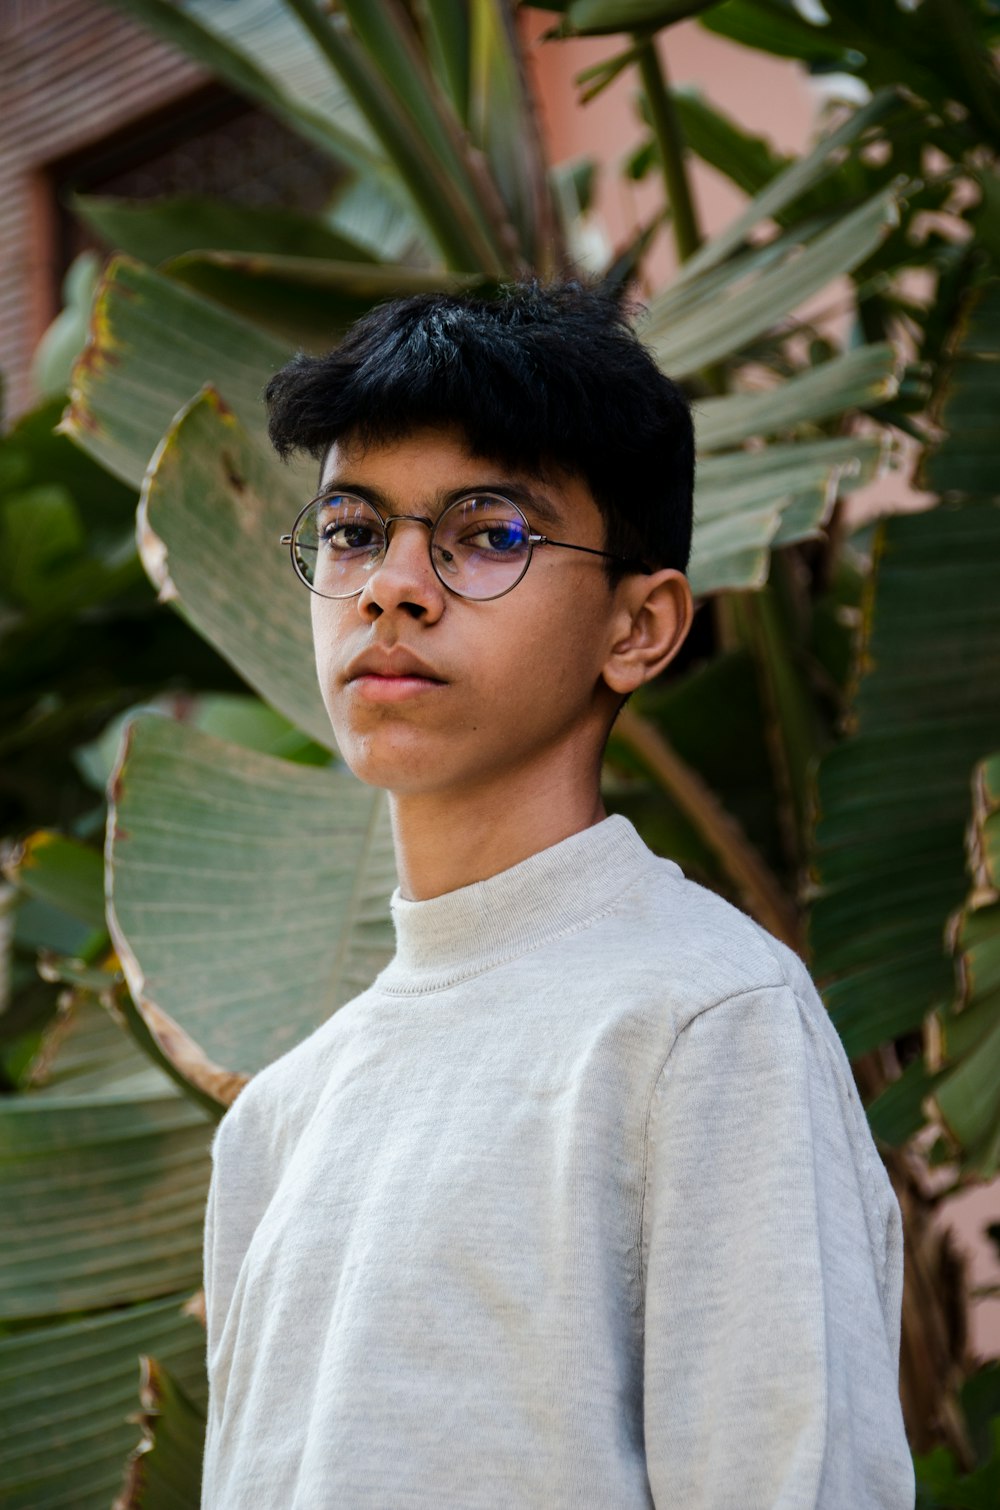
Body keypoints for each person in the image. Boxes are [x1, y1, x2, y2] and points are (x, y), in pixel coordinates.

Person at [199, 283, 915, 1508]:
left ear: (639, 627)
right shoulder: (278, 1117)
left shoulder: (704, 1019)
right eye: (354, 532)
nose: (393, 587)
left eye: (489, 535)